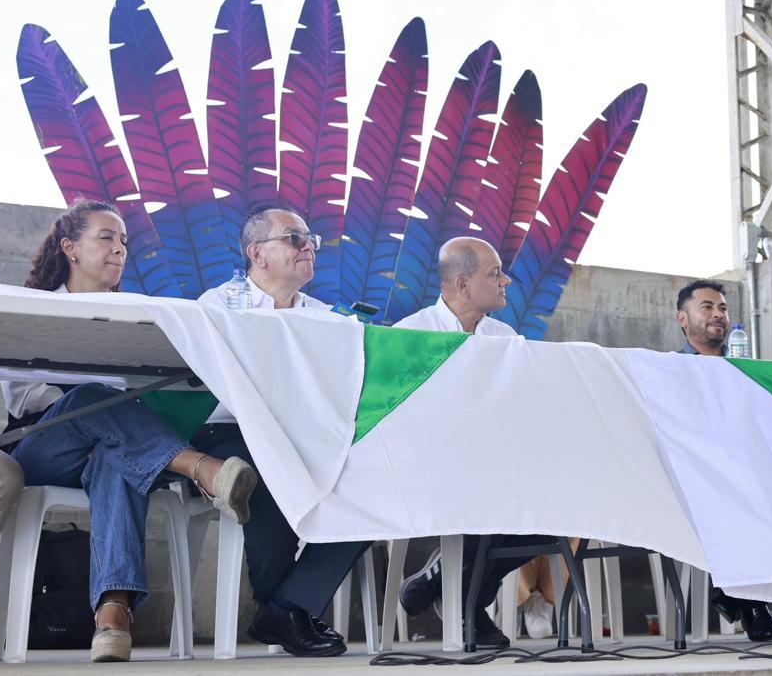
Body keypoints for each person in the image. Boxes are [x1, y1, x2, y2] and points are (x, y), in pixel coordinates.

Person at [2, 200, 257, 663]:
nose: (119, 248)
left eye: (123, 241)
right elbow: (24, 399)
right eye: (106, 237)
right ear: (70, 248)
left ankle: (113, 615)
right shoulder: (34, 309)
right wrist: (93, 397)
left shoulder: (138, 317)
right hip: (43, 448)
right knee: (91, 398)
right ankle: (202, 468)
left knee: (116, 459)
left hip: (118, 450)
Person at [196, 206, 371, 657]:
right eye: (294, 237)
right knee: (265, 472)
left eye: (310, 237)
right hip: (231, 432)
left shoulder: (329, 319)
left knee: (373, 486)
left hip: (305, 435)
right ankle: (288, 610)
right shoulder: (219, 306)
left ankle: (286, 607)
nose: (308, 245)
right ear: (257, 253)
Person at [395, 236, 544, 649]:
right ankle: (468, 607)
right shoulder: (409, 335)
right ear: (462, 285)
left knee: (551, 505)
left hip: (496, 463)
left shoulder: (506, 338)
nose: (506, 282)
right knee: (483, 487)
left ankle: (438, 581)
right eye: (495, 274)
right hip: (431, 465)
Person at [673, 279, 772, 642]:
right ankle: (753, 606)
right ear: (683, 319)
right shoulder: (668, 371)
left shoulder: (745, 369)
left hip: (745, 474)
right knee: (738, 496)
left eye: (722, 308)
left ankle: (733, 595)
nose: (718, 314)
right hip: (693, 481)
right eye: (706, 307)